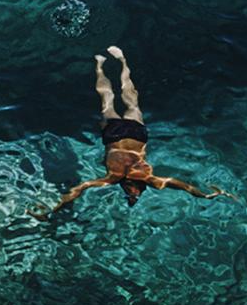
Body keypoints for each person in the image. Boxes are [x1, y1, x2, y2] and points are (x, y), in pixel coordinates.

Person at [41, 46, 235, 215]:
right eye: (135, 193)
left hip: (113, 136)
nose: (132, 191)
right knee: (130, 97)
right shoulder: (149, 179)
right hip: (136, 135)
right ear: (140, 188)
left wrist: (55, 208)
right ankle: (122, 60)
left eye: (129, 193)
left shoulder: (112, 178)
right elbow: (181, 185)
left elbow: (81, 187)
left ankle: (99, 66)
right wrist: (205, 195)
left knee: (106, 99)